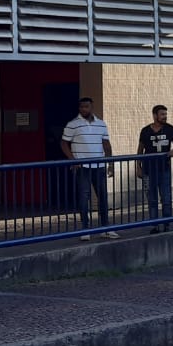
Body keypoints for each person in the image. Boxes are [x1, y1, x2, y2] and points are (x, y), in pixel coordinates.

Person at [61, 97, 117, 240]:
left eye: (86, 106)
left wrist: (110, 163)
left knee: (103, 197)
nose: (83, 109)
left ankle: (106, 228)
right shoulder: (73, 124)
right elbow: (64, 143)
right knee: (83, 197)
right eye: (81, 107)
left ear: (92, 107)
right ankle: (85, 229)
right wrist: (72, 160)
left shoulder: (101, 124)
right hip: (82, 167)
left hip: (99, 166)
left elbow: (106, 144)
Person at [137, 104, 173, 234]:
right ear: (155, 115)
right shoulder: (145, 130)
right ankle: (154, 225)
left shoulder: (169, 129)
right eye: (162, 114)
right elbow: (140, 150)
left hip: (164, 169)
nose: (165, 117)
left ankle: (167, 224)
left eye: (165, 114)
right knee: (152, 199)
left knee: (166, 198)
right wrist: (138, 167)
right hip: (148, 169)